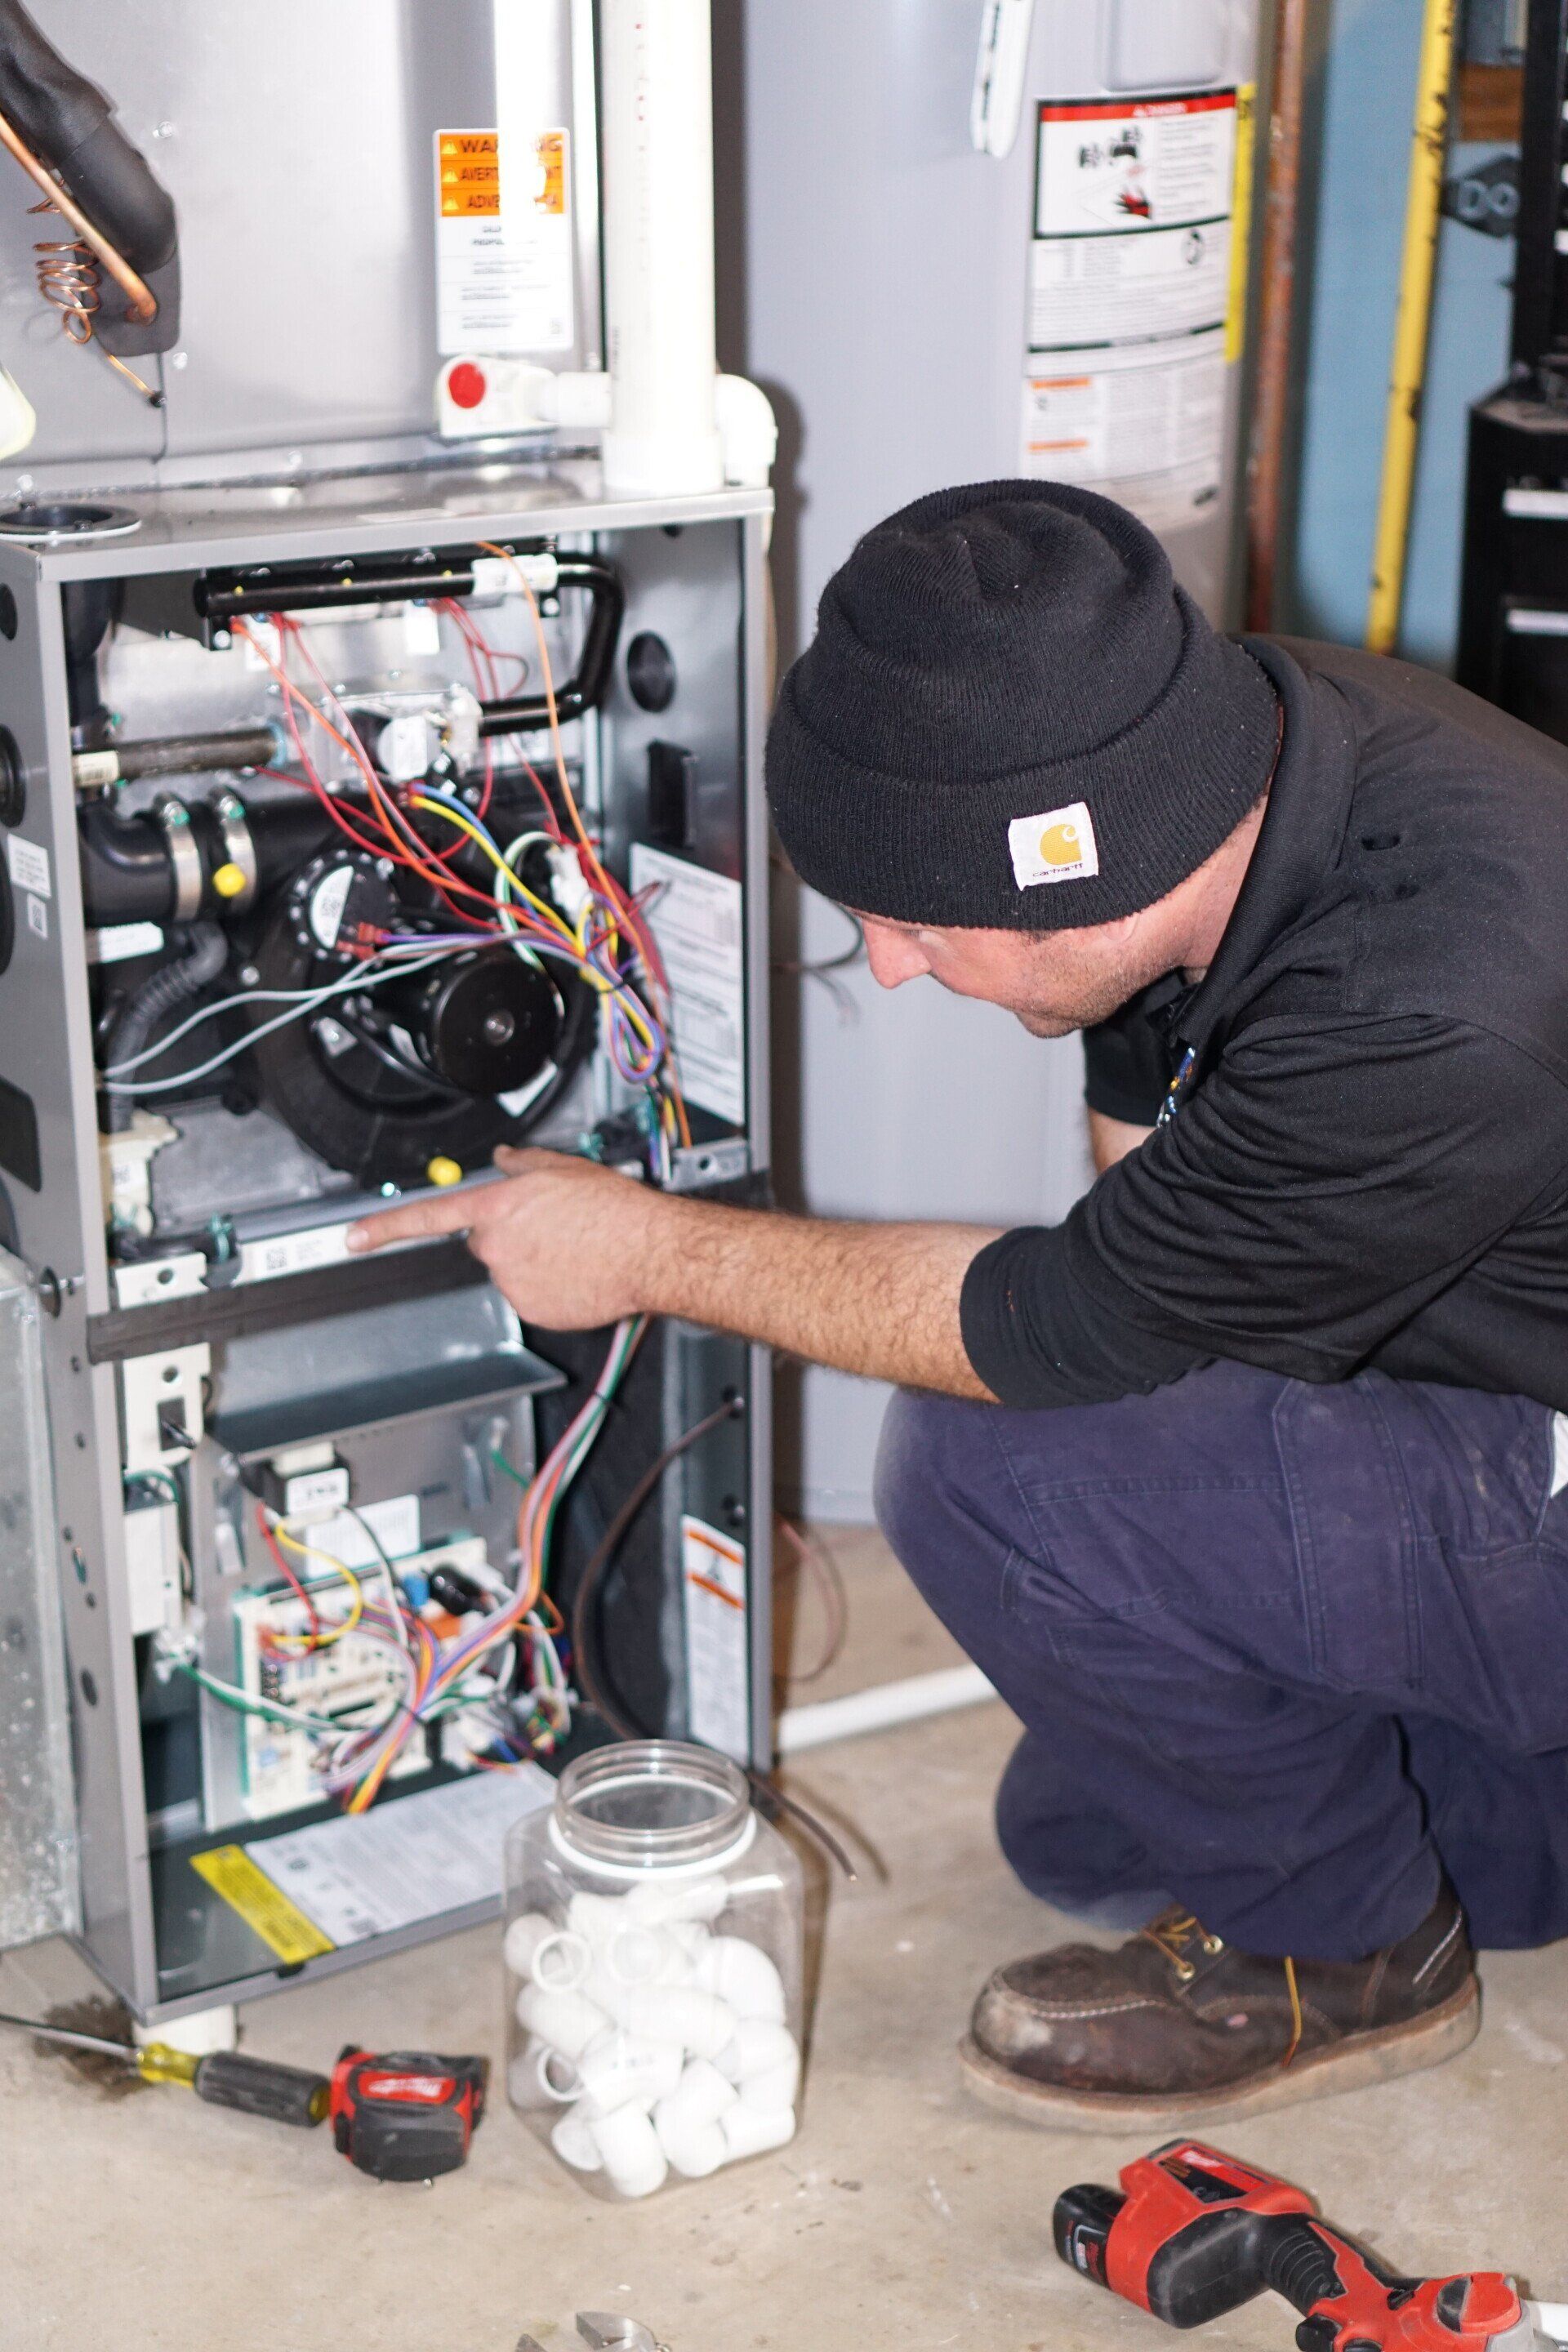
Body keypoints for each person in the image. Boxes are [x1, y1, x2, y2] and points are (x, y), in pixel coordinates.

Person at [349, 480, 1568, 2131]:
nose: (896, 967)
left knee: (999, 1474)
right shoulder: (1221, 760)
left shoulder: (1432, 1004)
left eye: (915, 922)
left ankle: (1353, 1960)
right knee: (1082, 1825)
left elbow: (1055, 1336)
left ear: (1090, 870)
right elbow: (1149, 1195)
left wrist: (646, 1248)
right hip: (1497, 1380)